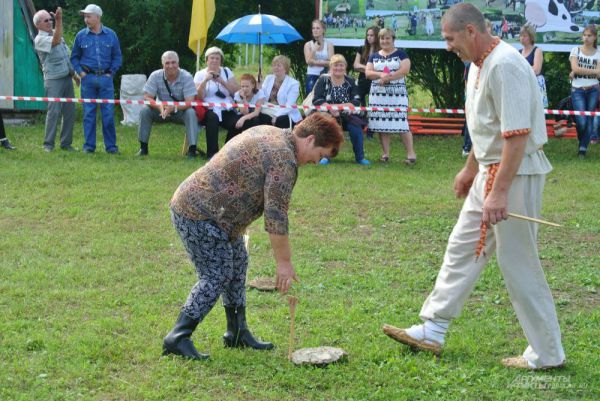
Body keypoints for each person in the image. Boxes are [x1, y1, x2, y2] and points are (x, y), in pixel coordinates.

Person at [383, 3, 566, 371]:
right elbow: (488, 126)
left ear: (470, 31)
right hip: (489, 171)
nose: (448, 46)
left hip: (516, 174)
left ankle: (548, 354)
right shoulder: (479, 65)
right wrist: (470, 169)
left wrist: (499, 191)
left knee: (518, 263)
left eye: (450, 38)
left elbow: (516, 136)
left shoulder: (506, 65)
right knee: (462, 246)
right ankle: (433, 328)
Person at [162, 113, 344, 360]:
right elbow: (276, 217)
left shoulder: (272, 132)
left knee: (237, 264)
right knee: (217, 274)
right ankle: (178, 337)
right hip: (198, 213)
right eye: (320, 155)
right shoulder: (284, 160)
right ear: (310, 139)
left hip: (219, 216)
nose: (316, 162)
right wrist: (284, 264)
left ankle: (236, 331)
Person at [70, 4, 122, 154]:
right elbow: (74, 57)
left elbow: (117, 56)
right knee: (88, 114)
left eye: (88, 16)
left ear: (98, 17)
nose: (85, 19)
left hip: (106, 78)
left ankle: (111, 147)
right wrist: (81, 73)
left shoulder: (111, 35)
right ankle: (89, 147)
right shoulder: (80, 35)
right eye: (85, 16)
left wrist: (110, 73)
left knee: (108, 114)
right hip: (87, 79)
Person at [365, 28, 417, 164]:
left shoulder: (401, 54)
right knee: (382, 124)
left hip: (397, 94)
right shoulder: (374, 56)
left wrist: (387, 78)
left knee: (402, 123)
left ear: (393, 39)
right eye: (382, 38)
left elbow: (405, 70)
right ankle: (385, 154)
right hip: (378, 94)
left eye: (387, 38)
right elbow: (368, 73)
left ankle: (411, 154)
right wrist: (380, 75)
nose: (384, 41)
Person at [136, 51, 199, 158]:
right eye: (167, 63)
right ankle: (143, 148)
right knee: (144, 110)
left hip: (180, 111)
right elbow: (147, 97)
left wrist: (174, 108)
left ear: (178, 64)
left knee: (191, 112)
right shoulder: (155, 75)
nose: (170, 66)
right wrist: (159, 106)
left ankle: (192, 150)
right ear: (163, 65)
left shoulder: (187, 76)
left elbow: (190, 101)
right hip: (160, 111)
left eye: (173, 62)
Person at [33, 7, 78, 152]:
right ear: (37, 25)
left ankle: (66, 144)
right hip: (53, 80)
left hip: (66, 77)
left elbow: (66, 58)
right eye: (46, 20)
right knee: (54, 112)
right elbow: (56, 41)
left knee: (70, 112)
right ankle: (48, 145)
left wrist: (75, 75)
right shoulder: (39, 39)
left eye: (51, 19)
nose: (49, 22)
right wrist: (59, 20)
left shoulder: (58, 35)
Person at [313, 54, 370, 165]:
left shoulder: (351, 81)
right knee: (327, 128)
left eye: (341, 65)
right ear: (330, 67)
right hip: (327, 113)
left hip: (348, 114)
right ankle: (325, 156)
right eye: (335, 65)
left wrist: (340, 108)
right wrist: (330, 109)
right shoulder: (323, 79)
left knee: (356, 129)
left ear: (345, 67)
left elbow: (356, 100)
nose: (338, 68)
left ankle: (360, 157)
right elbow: (317, 99)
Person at [194, 47, 241, 159]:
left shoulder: (226, 71)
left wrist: (222, 81)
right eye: (212, 58)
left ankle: (227, 152)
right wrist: (205, 81)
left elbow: (235, 91)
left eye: (217, 58)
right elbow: (199, 96)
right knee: (212, 119)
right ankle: (212, 154)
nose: (214, 61)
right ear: (207, 60)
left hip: (226, 108)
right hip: (208, 108)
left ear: (221, 61)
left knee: (237, 123)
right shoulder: (200, 74)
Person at [569, 24, 600, 159]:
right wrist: (594, 71)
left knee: (589, 119)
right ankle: (583, 139)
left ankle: (582, 148)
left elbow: (599, 75)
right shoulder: (575, 50)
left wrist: (580, 70)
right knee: (581, 121)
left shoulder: (598, 52)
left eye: (589, 35)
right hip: (577, 89)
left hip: (593, 89)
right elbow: (575, 69)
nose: (586, 38)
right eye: (584, 35)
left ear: (594, 37)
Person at [259, 55, 303, 129]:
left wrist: (276, 115)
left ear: (285, 68)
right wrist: (259, 87)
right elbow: (262, 96)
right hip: (268, 110)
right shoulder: (268, 78)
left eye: (279, 65)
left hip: (286, 112)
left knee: (280, 120)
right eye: (274, 65)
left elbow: (289, 105)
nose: (276, 67)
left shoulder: (293, 83)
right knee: (259, 118)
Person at [353, 26, 380, 139]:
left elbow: (380, 69)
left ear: (377, 36)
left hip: (375, 81)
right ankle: (357, 129)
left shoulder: (381, 51)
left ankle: (370, 131)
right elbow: (355, 66)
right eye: (367, 35)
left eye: (372, 35)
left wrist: (363, 68)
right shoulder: (362, 48)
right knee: (357, 104)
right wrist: (369, 69)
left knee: (373, 106)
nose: (369, 37)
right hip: (362, 81)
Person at [519, 25, 548, 109]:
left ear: (531, 37)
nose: (522, 38)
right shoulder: (518, 52)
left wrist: (521, 70)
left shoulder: (537, 50)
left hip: (535, 85)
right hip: (522, 86)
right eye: (521, 36)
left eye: (524, 36)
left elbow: (536, 70)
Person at [304, 19, 334, 94]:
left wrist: (314, 61)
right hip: (312, 75)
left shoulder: (329, 45)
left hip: (326, 75)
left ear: (323, 30)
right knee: (311, 99)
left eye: (318, 28)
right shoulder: (308, 45)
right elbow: (308, 61)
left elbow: (331, 62)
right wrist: (314, 50)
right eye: (313, 28)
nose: (315, 30)